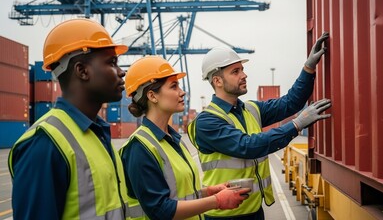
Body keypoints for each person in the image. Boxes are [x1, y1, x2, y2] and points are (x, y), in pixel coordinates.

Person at [187, 32, 332, 219]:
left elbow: (290, 103)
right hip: (223, 215)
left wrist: (308, 68)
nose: (244, 75)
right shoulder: (206, 122)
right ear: (217, 81)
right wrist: (296, 125)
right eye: (235, 71)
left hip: (255, 211)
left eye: (242, 69)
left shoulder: (251, 109)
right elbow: (248, 146)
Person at [8, 19, 130, 219]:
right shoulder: (44, 144)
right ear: (82, 71)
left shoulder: (97, 134)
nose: (121, 71)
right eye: (111, 62)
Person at [119, 56, 251, 220]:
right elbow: (160, 209)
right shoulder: (138, 148)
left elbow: (178, 192)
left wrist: (207, 192)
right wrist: (216, 201)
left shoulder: (173, 140)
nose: (182, 92)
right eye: (174, 86)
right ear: (152, 96)